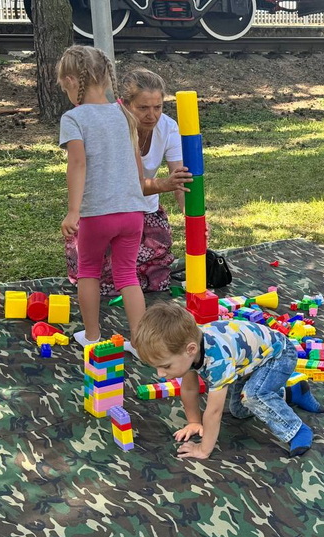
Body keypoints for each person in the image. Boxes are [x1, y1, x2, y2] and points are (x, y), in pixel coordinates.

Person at [56, 46, 190, 354]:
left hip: (98, 214)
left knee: (88, 271)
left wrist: (74, 211)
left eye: (63, 84)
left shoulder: (73, 118)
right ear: (106, 78)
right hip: (133, 214)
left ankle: (91, 336)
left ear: (71, 80)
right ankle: (139, 341)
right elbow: (137, 166)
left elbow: (77, 163)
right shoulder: (122, 115)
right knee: (127, 275)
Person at [134, 302, 324, 459]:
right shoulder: (187, 347)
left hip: (280, 354)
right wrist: (194, 422)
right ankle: (294, 393)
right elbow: (189, 389)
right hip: (251, 362)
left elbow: (214, 411)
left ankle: (297, 430)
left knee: (253, 395)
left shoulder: (217, 359)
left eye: (166, 366)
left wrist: (203, 449)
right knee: (239, 410)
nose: (160, 374)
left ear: (191, 350)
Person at [65, 68, 188, 297]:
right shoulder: (112, 125)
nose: (152, 115)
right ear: (125, 104)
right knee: (101, 280)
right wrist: (163, 184)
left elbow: (180, 180)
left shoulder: (169, 127)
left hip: (143, 210)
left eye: (157, 107)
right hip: (105, 209)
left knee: (156, 279)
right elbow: (131, 183)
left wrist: (192, 217)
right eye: (143, 108)